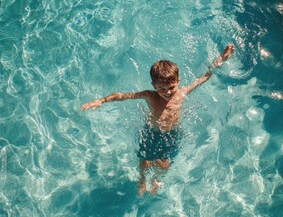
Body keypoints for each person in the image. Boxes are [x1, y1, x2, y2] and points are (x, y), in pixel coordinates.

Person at [81, 44, 234, 196]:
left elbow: (204, 77)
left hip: (172, 133)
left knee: (164, 164)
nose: (167, 92)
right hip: (151, 131)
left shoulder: (182, 93)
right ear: (153, 85)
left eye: (171, 87)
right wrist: (101, 100)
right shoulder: (150, 95)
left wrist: (220, 59)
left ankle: (155, 180)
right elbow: (122, 96)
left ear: (178, 81)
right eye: (161, 89)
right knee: (145, 161)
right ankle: (142, 179)